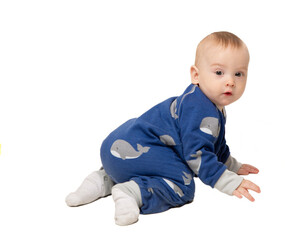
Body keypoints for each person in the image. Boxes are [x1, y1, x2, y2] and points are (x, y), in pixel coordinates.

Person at [66, 31, 261, 226]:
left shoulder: (202, 101)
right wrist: (228, 181)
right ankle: (131, 192)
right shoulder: (200, 109)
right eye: (219, 72)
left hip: (114, 149)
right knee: (183, 185)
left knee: (158, 162)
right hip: (137, 150)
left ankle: (103, 180)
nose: (230, 81)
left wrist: (231, 165)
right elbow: (197, 154)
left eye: (239, 74)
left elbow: (214, 142)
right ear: (196, 75)